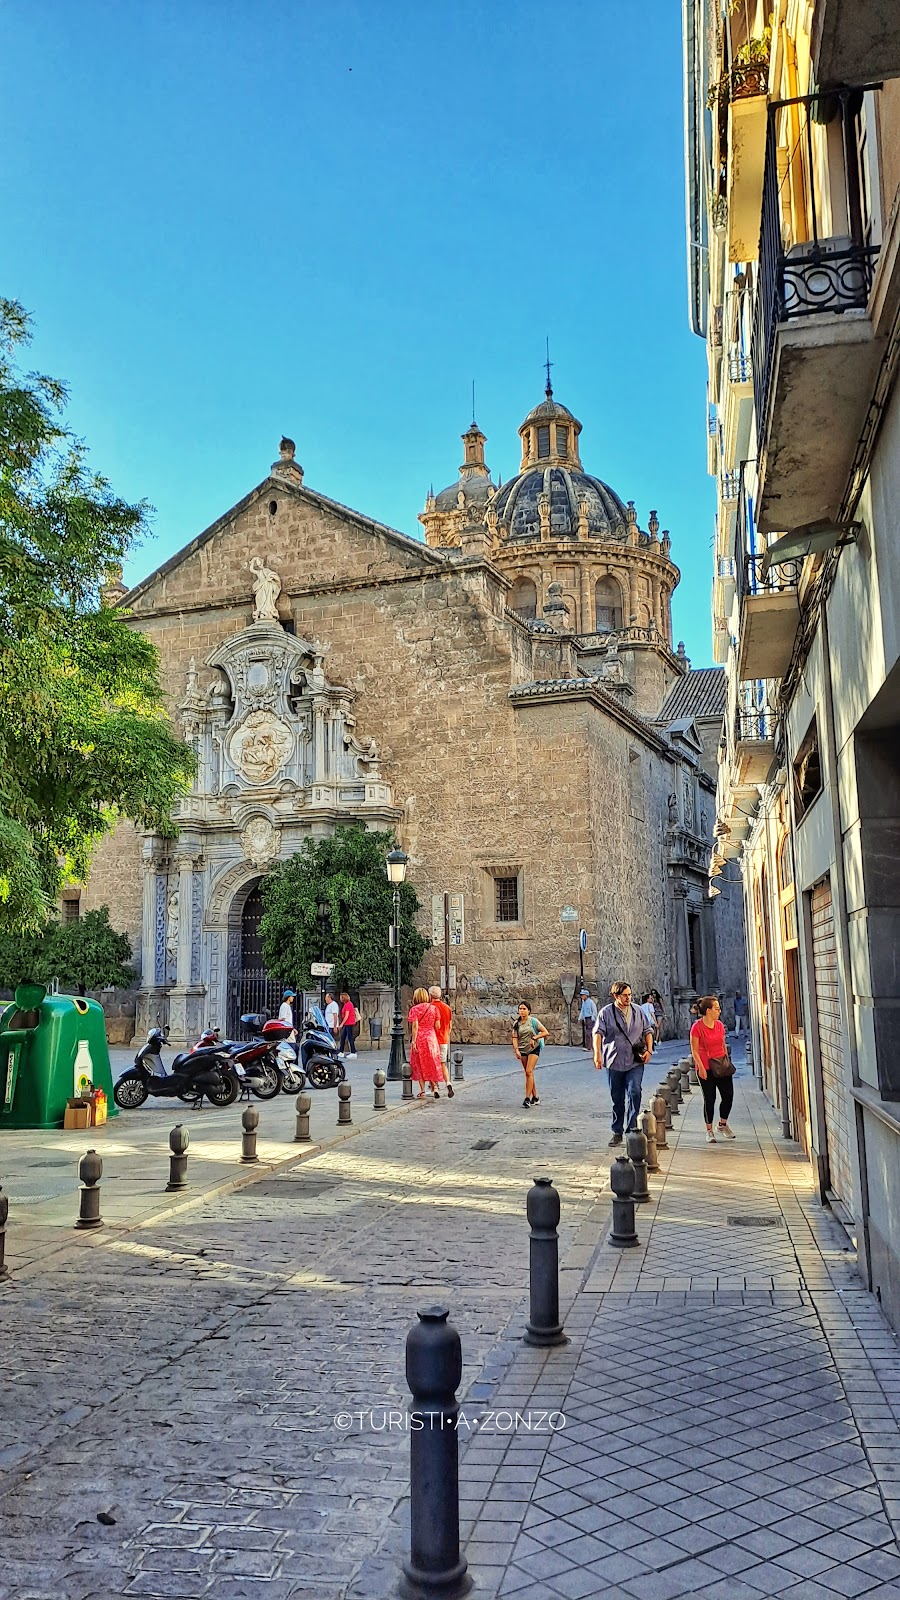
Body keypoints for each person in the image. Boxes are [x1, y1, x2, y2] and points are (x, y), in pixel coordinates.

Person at [593, 980, 652, 1147]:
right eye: (624, 995)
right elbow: (597, 1033)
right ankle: (617, 1131)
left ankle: (632, 1129)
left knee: (635, 1091)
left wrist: (649, 1050)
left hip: (635, 1061)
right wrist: (597, 1054)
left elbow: (648, 1031)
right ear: (615, 996)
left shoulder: (638, 1011)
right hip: (614, 1061)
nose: (628, 998)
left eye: (629, 995)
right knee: (617, 1098)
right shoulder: (606, 1013)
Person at [690, 994, 736, 1143]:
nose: (720, 1011)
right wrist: (701, 1068)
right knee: (710, 1099)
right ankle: (709, 1131)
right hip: (706, 1067)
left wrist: (727, 1061)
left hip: (721, 1065)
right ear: (708, 1010)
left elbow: (722, 1044)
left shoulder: (720, 1025)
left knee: (728, 1096)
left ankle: (722, 1124)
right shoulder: (697, 1027)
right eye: (717, 1008)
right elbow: (694, 1050)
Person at [409, 986, 443, 1099]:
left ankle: (422, 1090)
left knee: (419, 1064)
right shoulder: (434, 1009)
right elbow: (437, 1026)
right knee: (431, 1062)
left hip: (420, 1038)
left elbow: (415, 1026)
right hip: (431, 1038)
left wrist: (413, 1041)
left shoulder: (415, 1009)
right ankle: (435, 1087)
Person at [513, 1001, 548, 1108]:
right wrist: (516, 1050)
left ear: (529, 1011)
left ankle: (527, 1098)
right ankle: (535, 1097)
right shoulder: (516, 1023)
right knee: (529, 1074)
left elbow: (545, 1032)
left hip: (534, 1048)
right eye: (520, 1009)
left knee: (529, 1071)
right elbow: (514, 1037)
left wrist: (534, 1038)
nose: (522, 1011)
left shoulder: (533, 1021)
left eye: (524, 1009)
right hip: (523, 1049)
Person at [428, 984, 455, 1098]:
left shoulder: (429, 1007)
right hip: (444, 1039)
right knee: (443, 1063)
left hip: (432, 1039)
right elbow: (450, 1026)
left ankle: (434, 1088)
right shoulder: (447, 1008)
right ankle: (448, 1082)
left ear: (430, 995)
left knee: (431, 1064)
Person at [338, 991, 358, 1058]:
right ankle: (341, 1051)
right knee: (343, 1037)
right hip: (347, 1023)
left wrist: (341, 1024)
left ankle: (353, 1052)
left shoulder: (348, 1004)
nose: (340, 999)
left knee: (349, 1037)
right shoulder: (346, 1004)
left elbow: (347, 1016)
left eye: (341, 997)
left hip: (349, 1023)